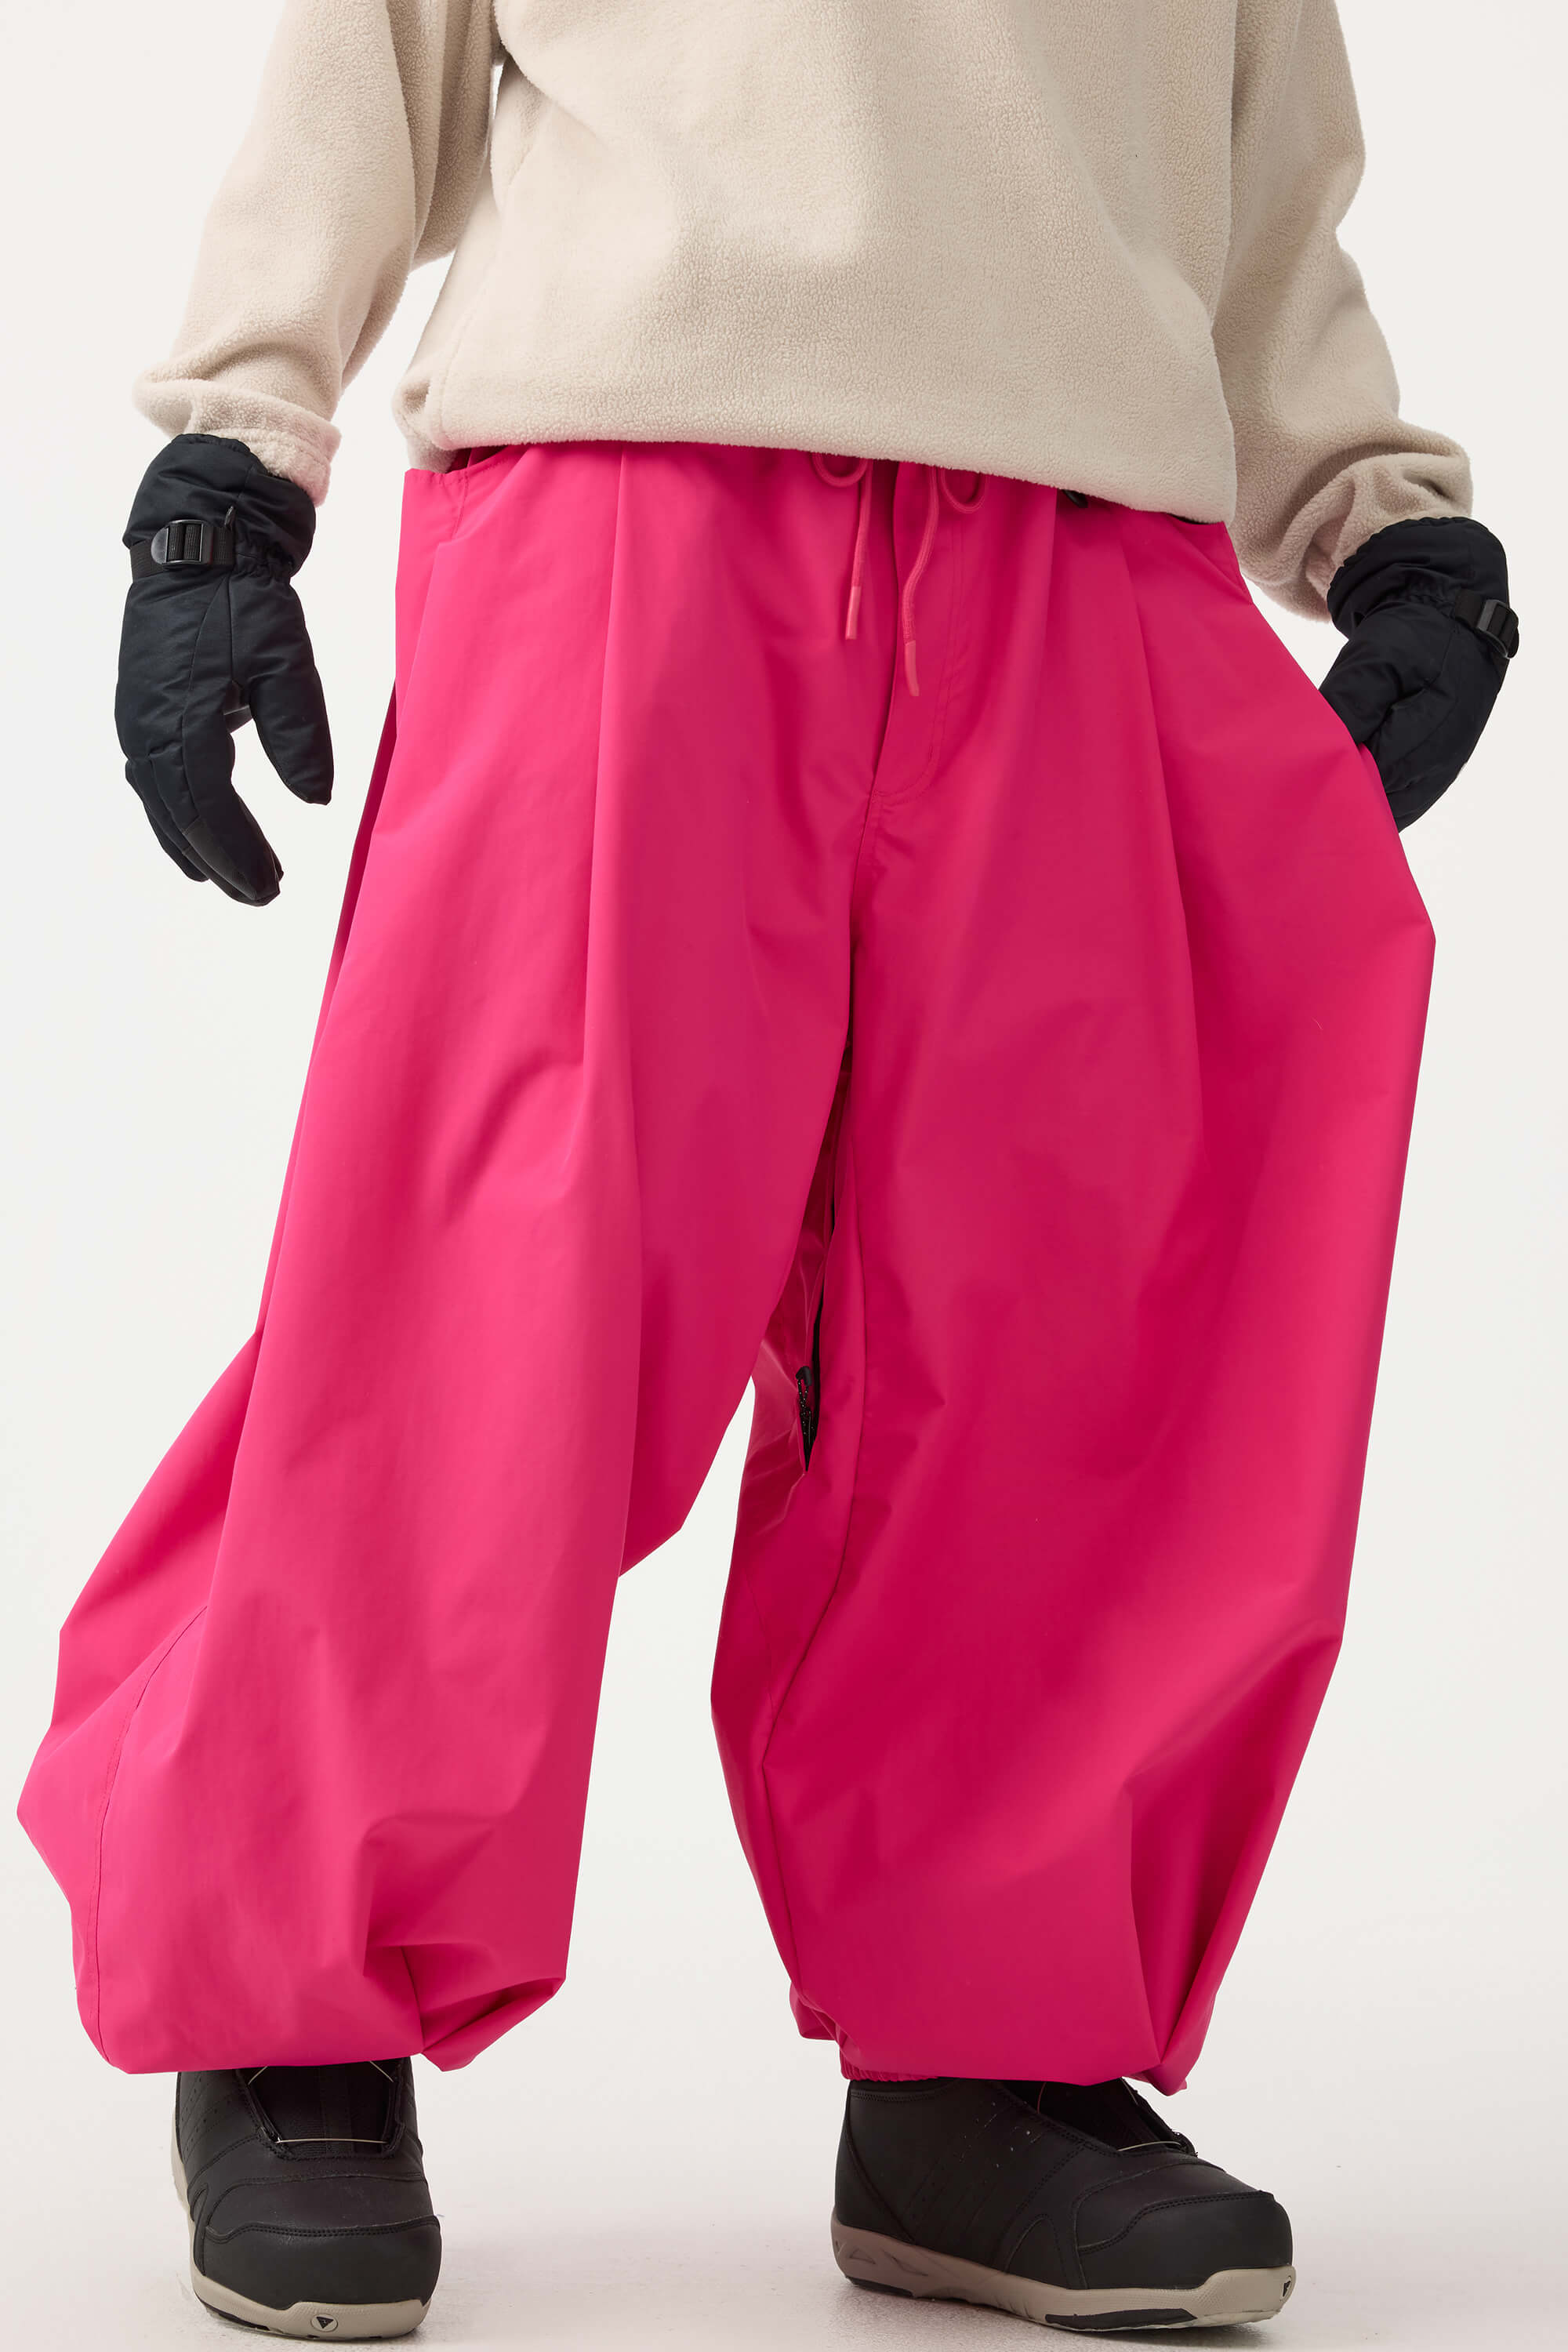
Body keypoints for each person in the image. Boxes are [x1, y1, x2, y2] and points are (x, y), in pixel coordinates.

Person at [20, 1, 1517, 2339]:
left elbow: (1240, 139)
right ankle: (287, 2004)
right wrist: (236, 444)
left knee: (1061, 1304)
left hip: (1083, 525)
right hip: (637, 475)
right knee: (503, 1276)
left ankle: (989, 2061)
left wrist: (1367, 503)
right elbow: (376, 46)